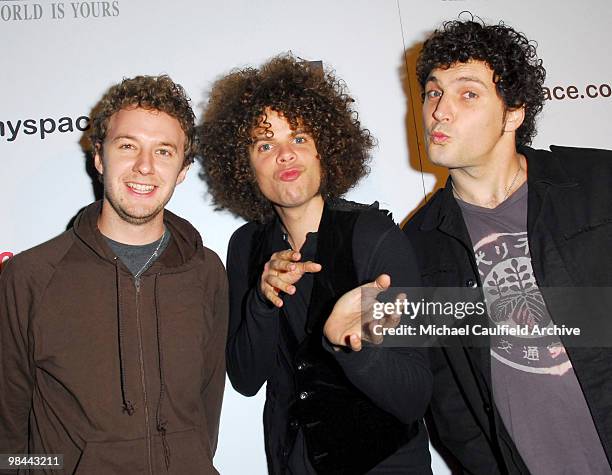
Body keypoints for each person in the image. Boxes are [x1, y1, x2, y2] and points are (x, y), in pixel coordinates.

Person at [199, 54, 432, 474]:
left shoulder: (374, 237)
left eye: (300, 138)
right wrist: (262, 302)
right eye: (265, 144)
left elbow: (414, 397)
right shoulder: (245, 246)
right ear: (244, 165)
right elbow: (247, 379)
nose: (285, 156)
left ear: (326, 148)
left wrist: (353, 346)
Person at [402, 18, 612, 474]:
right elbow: (451, 403)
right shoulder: (416, 248)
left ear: (514, 112)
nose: (440, 111)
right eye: (434, 92)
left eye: (468, 93)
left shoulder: (599, 186)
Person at [0, 75, 228, 474]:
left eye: (163, 151)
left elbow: (206, 415)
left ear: (182, 170)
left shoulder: (207, 272)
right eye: (127, 146)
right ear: (99, 158)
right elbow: (8, 436)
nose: (144, 166)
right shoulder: (30, 277)